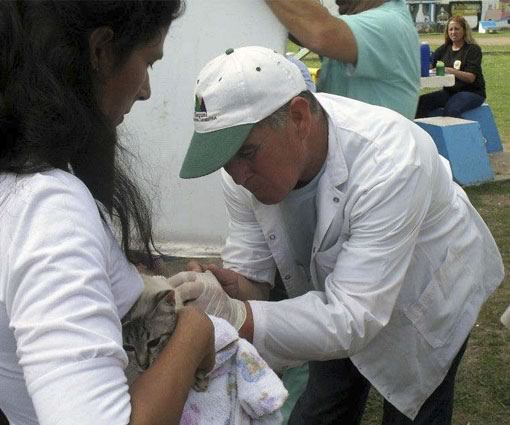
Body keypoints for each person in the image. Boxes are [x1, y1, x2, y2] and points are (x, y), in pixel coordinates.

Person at [174, 46, 505, 424]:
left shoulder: (391, 160)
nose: (237, 175)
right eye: (225, 159)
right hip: (337, 297)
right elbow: (255, 280)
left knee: (413, 411)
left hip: (425, 293)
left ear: (298, 117)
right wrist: (227, 289)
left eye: (247, 153)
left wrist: (236, 315)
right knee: (323, 408)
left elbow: (352, 317)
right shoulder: (240, 170)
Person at [0, 2, 216, 424]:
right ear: (101, 50)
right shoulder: (47, 207)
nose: (146, 90)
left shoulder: (18, 177)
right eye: (148, 61)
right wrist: (195, 331)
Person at [264, 0, 420, 119]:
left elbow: (318, 31)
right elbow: (300, 24)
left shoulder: (390, 23)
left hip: (376, 158)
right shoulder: (360, 25)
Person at [415, 16, 486, 118]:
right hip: (449, 92)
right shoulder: (444, 48)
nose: (453, 32)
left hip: (472, 92)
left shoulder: (473, 50)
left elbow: (471, 78)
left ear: (464, 30)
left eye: (457, 29)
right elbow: (429, 66)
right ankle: (423, 132)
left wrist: (450, 71)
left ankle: (460, 133)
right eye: (450, 29)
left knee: (451, 110)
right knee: (420, 103)